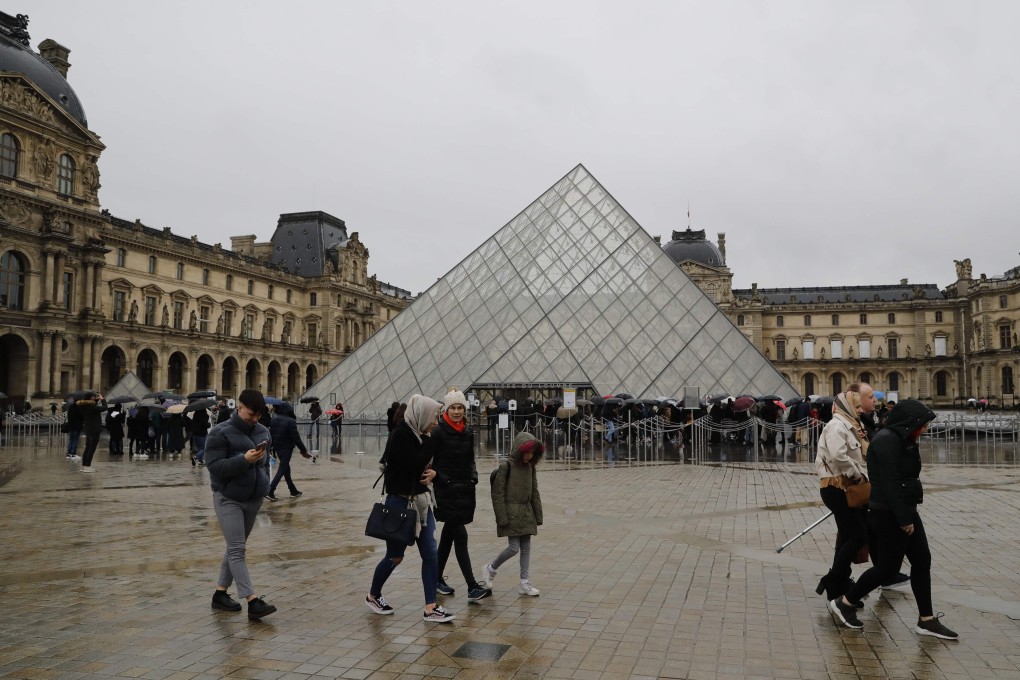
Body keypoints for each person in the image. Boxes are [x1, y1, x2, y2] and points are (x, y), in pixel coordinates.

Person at [829, 400, 958, 639]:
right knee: (888, 566)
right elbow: (889, 483)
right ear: (911, 421)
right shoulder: (888, 440)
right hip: (889, 513)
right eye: (923, 424)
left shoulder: (901, 439)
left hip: (904, 509)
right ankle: (845, 602)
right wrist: (903, 518)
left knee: (922, 561)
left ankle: (926, 619)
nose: (926, 428)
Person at [365, 394, 453, 623]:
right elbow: (414, 464)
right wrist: (433, 443)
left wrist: (436, 474)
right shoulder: (401, 435)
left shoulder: (421, 434)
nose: (436, 422)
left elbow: (430, 467)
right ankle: (373, 595)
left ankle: (430, 607)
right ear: (422, 415)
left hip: (423, 503)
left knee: (430, 554)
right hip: (401, 504)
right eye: (434, 417)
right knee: (395, 557)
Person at [205, 388, 276, 621]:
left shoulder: (263, 431)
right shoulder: (219, 433)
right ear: (240, 406)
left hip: (253, 498)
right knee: (237, 549)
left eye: (258, 415)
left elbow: (265, 465)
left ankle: (220, 594)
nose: (254, 419)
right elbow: (215, 467)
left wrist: (264, 484)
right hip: (228, 497)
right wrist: (243, 460)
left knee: (235, 547)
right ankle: (252, 600)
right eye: (251, 414)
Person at [427, 390, 493, 603]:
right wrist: (441, 477)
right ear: (447, 409)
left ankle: (435, 578)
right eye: (453, 408)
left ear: (465, 409)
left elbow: (470, 459)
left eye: (460, 408)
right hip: (445, 490)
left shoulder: (467, 431)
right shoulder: (438, 432)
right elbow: (430, 461)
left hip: (464, 489)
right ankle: (472, 586)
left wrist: (473, 475)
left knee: (448, 537)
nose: (456, 411)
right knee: (460, 536)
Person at [814, 390, 869, 602]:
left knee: (847, 536)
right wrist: (859, 474)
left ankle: (839, 584)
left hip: (843, 488)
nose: (860, 409)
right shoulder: (837, 426)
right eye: (856, 406)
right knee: (858, 536)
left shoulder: (850, 425)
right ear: (845, 406)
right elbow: (838, 456)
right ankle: (833, 578)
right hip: (837, 488)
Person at [482, 431, 544, 598]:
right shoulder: (506, 467)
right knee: (513, 548)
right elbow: (498, 494)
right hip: (510, 513)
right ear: (519, 449)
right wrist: (502, 517)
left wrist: (538, 515)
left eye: (532, 453)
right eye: (527, 452)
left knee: (526, 547)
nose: (529, 456)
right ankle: (491, 568)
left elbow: (534, 491)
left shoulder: (530, 468)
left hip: (525, 512)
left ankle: (524, 582)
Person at [266, 401, 310, 501]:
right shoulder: (290, 421)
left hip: (277, 447)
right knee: (282, 468)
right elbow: (296, 438)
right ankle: (270, 490)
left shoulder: (274, 419)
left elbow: (270, 434)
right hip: (286, 448)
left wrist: (270, 447)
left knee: (286, 469)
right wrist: (303, 451)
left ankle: (293, 491)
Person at [78, 393, 107, 473]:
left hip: (88, 428)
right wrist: (103, 399)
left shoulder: (82, 406)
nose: (95, 398)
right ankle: (87, 466)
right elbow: (105, 407)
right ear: (91, 398)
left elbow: (93, 404)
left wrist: (97, 399)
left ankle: (84, 466)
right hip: (95, 429)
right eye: (93, 397)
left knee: (87, 448)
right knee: (92, 449)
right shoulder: (92, 407)